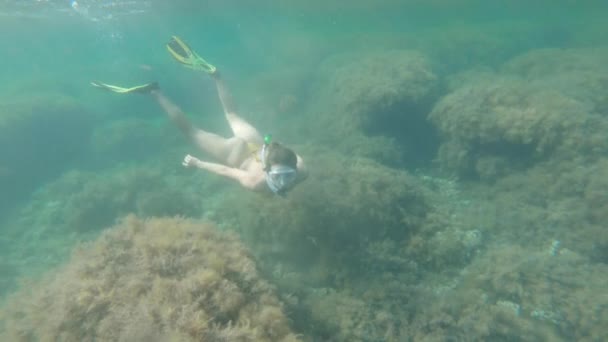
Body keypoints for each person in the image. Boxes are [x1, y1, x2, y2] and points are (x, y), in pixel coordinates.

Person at [92, 36, 307, 196]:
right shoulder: (256, 182)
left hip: (258, 144)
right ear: (267, 170)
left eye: (288, 176)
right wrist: (198, 163)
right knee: (191, 132)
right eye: (279, 177)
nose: (284, 182)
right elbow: (226, 170)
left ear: (294, 169)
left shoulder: (301, 169)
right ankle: (155, 92)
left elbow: (290, 156)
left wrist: (276, 157)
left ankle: (216, 76)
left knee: (232, 114)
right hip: (236, 155)